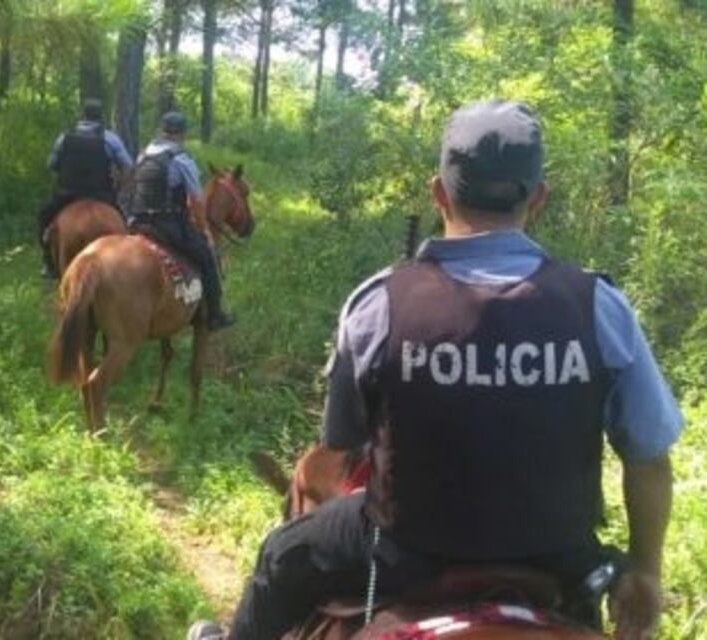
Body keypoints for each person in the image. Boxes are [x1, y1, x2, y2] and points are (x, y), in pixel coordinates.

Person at [188, 100, 682, 640]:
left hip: (405, 557)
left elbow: (338, 445)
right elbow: (650, 460)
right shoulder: (599, 306)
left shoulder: (379, 302)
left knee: (281, 556)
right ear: (538, 198)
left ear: (438, 192)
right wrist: (647, 572)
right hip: (561, 564)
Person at [130, 111, 235, 331]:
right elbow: (196, 200)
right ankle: (214, 314)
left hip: (137, 222)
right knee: (207, 257)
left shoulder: (143, 154)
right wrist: (205, 229)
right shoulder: (181, 158)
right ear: (182, 133)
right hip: (167, 224)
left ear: (162, 129)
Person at [37, 98, 133, 278]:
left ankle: (48, 262)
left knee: (44, 217)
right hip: (101, 194)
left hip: (67, 194)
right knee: (126, 223)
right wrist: (119, 189)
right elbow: (127, 166)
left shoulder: (64, 137)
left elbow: (51, 164)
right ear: (101, 117)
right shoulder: (110, 138)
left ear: (83, 115)